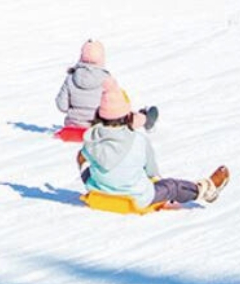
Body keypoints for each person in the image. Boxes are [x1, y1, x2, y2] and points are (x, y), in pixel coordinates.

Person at [80, 82, 228, 210]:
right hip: (134, 199)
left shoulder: (91, 139)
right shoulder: (138, 140)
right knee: (171, 186)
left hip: (99, 194)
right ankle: (206, 189)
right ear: (128, 116)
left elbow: (82, 157)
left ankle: (103, 182)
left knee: (84, 160)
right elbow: (152, 173)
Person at [55, 40, 156, 140]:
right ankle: (145, 119)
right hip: (99, 128)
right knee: (124, 118)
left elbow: (61, 106)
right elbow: (117, 109)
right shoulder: (107, 79)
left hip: (73, 127)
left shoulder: (71, 78)